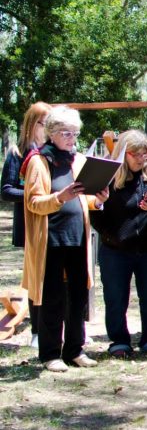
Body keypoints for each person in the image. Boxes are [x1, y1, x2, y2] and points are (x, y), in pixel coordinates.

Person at [22, 106, 109, 372]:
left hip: (78, 237)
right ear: (50, 133)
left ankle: (75, 350)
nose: (72, 138)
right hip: (50, 239)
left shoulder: (78, 160)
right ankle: (50, 354)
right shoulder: (39, 161)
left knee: (78, 295)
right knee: (52, 297)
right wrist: (60, 197)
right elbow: (34, 202)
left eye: (75, 133)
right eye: (65, 133)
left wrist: (99, 200)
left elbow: (86, 200)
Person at [90, 130, 147, 358]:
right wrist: (100, 205)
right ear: (124, 153)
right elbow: (93, 213)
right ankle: (119, 341)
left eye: (146, 153)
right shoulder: (108, 177)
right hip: (115, 250)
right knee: (115, 297)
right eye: (136, 153)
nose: (142, 158)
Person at [2, 101, 52, 348]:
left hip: (57, 224)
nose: (48, 128)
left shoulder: (56, 152)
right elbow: (6, 190)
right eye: (44, 123)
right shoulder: (17, 152)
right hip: (30, 223)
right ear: (32, 124)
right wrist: (36, 194)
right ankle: (37, 330)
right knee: (36, 278)